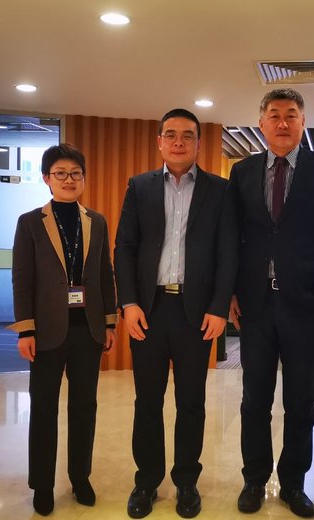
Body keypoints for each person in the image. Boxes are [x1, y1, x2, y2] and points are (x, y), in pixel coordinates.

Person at [228, 89, 314, 518]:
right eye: (275, 115)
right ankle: (254, 479)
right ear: (261, 123)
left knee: (300, 401)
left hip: (304, 304)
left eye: (291, 115)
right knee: (254, 399)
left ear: (303, 122)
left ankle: (294, 483)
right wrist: (230, 292)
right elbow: (232, 237)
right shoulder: (242, 171)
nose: (283, 122)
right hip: (255, 304)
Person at [114, 108, 237, 519]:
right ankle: (146, 481)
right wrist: (128, 303)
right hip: (148, 310)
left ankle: (186, 482)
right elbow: (125, 248)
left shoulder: (220, 190)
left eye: (187, 135)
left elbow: (228, 253)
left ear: (199, 143)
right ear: (159, 142)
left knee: (192, 403)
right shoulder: (139, 187)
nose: (179, 141)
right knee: (147, 402)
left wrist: (219, 307)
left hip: (196, 313)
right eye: (171, 134)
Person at [8, 143, 118, 516]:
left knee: (85, 406)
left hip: (88, 330)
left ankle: (80, 477)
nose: (69, 180)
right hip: (46, 332)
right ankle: (42, 484)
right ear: (47, 179)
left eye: (75, 173)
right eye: (60, 174)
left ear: (83, 178)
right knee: (43, 408)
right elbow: (22, 278)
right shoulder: (30, 222)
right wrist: (26, 330)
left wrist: (109, 322)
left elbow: (104, 273)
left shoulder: (96, 221)